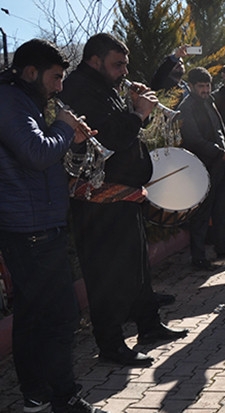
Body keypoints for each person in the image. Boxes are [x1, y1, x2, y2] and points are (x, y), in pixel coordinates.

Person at [60, 33, 188, 367]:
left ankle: (148, 325)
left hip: (123, 197)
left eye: (125, 65)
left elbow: (122, 131)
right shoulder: (79, 89)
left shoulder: (106, 87)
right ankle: (111, 344)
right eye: (118, 65)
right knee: (106, 275)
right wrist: (136, 114)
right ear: (95, 60)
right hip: (99, 202)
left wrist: (137, 110)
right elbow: (110, 137)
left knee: (138, 268)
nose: (123, 71)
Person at [0, 38, 107, 413]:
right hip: (31, 231)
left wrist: (71, 140)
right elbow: (35, 153)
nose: (60, 87)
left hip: (33, 226)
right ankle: (64, 396)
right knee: (61, 315)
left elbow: (41, 153)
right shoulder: (10, 101)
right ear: (30, 72)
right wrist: (63, 127)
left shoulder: (22, 101)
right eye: (55, 77)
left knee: (31, 317)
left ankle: (35, 396)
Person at [178, 67, 225, 271]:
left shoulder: (208, 101)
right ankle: (198, 257)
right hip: (201, 167)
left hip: (219, 165)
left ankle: (223, 247)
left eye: (208, 85)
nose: (206, 90)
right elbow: (194, 139)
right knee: (201, 215)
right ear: (190, 86)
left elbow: (219, 128)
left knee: (222, 209)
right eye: (201, 86)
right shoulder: (187, 107)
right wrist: (219, 153)